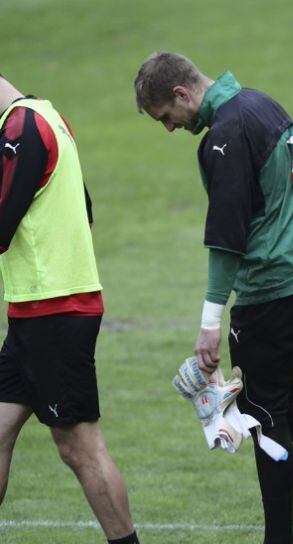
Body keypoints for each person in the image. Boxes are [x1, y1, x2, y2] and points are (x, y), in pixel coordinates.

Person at [134, 52, 293, 544]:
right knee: (278, 404)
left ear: (181, 94)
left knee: (263, 415)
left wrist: (210, 320)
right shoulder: (261, 105)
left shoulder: (226, 133)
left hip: (274, 290)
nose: (169, 129)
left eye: (167, 118)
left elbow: (227, 237)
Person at [0, 75, 139, 544]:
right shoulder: (49, 117)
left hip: (55, 312)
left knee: (79, 447)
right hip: (34, 310)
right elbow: (86, 207)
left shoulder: (22, 127)